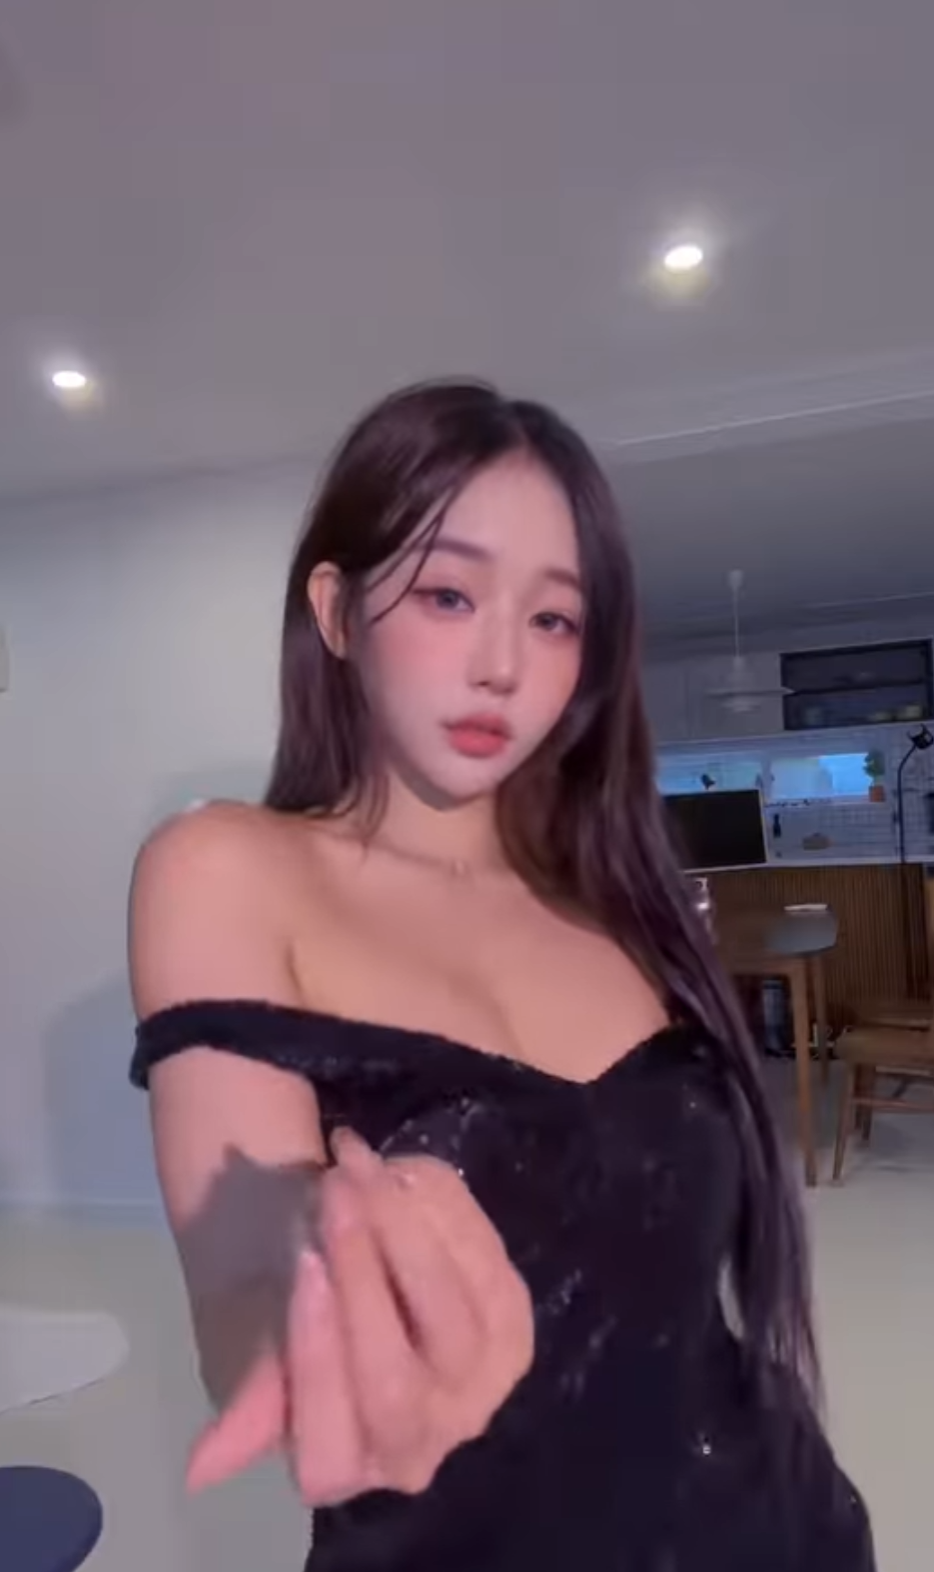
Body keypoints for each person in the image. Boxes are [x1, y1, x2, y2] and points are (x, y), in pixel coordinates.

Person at [128, 381, 875, 1571]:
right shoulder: (225, 868)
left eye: (555, 619)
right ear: (335, 610)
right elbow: (243, 1255)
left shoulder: (622, 899)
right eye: (447, 594)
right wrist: (315, 1307)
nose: (501, 665)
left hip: (779, 1528)